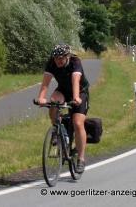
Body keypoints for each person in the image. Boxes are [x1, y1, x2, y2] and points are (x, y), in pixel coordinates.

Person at [36, 44, 89, 173]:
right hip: (63, 90)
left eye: (61, 58)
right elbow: (45, 83)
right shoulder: (52, 63)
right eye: (56, 58)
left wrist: (76, 97)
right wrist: (41, 98)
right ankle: (59, 132)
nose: (58, 61)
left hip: (80, 92)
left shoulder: (75, 62)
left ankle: (81, 159)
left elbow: (75, 80)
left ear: (67, 57)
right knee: (53, 102)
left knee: (77, 123)